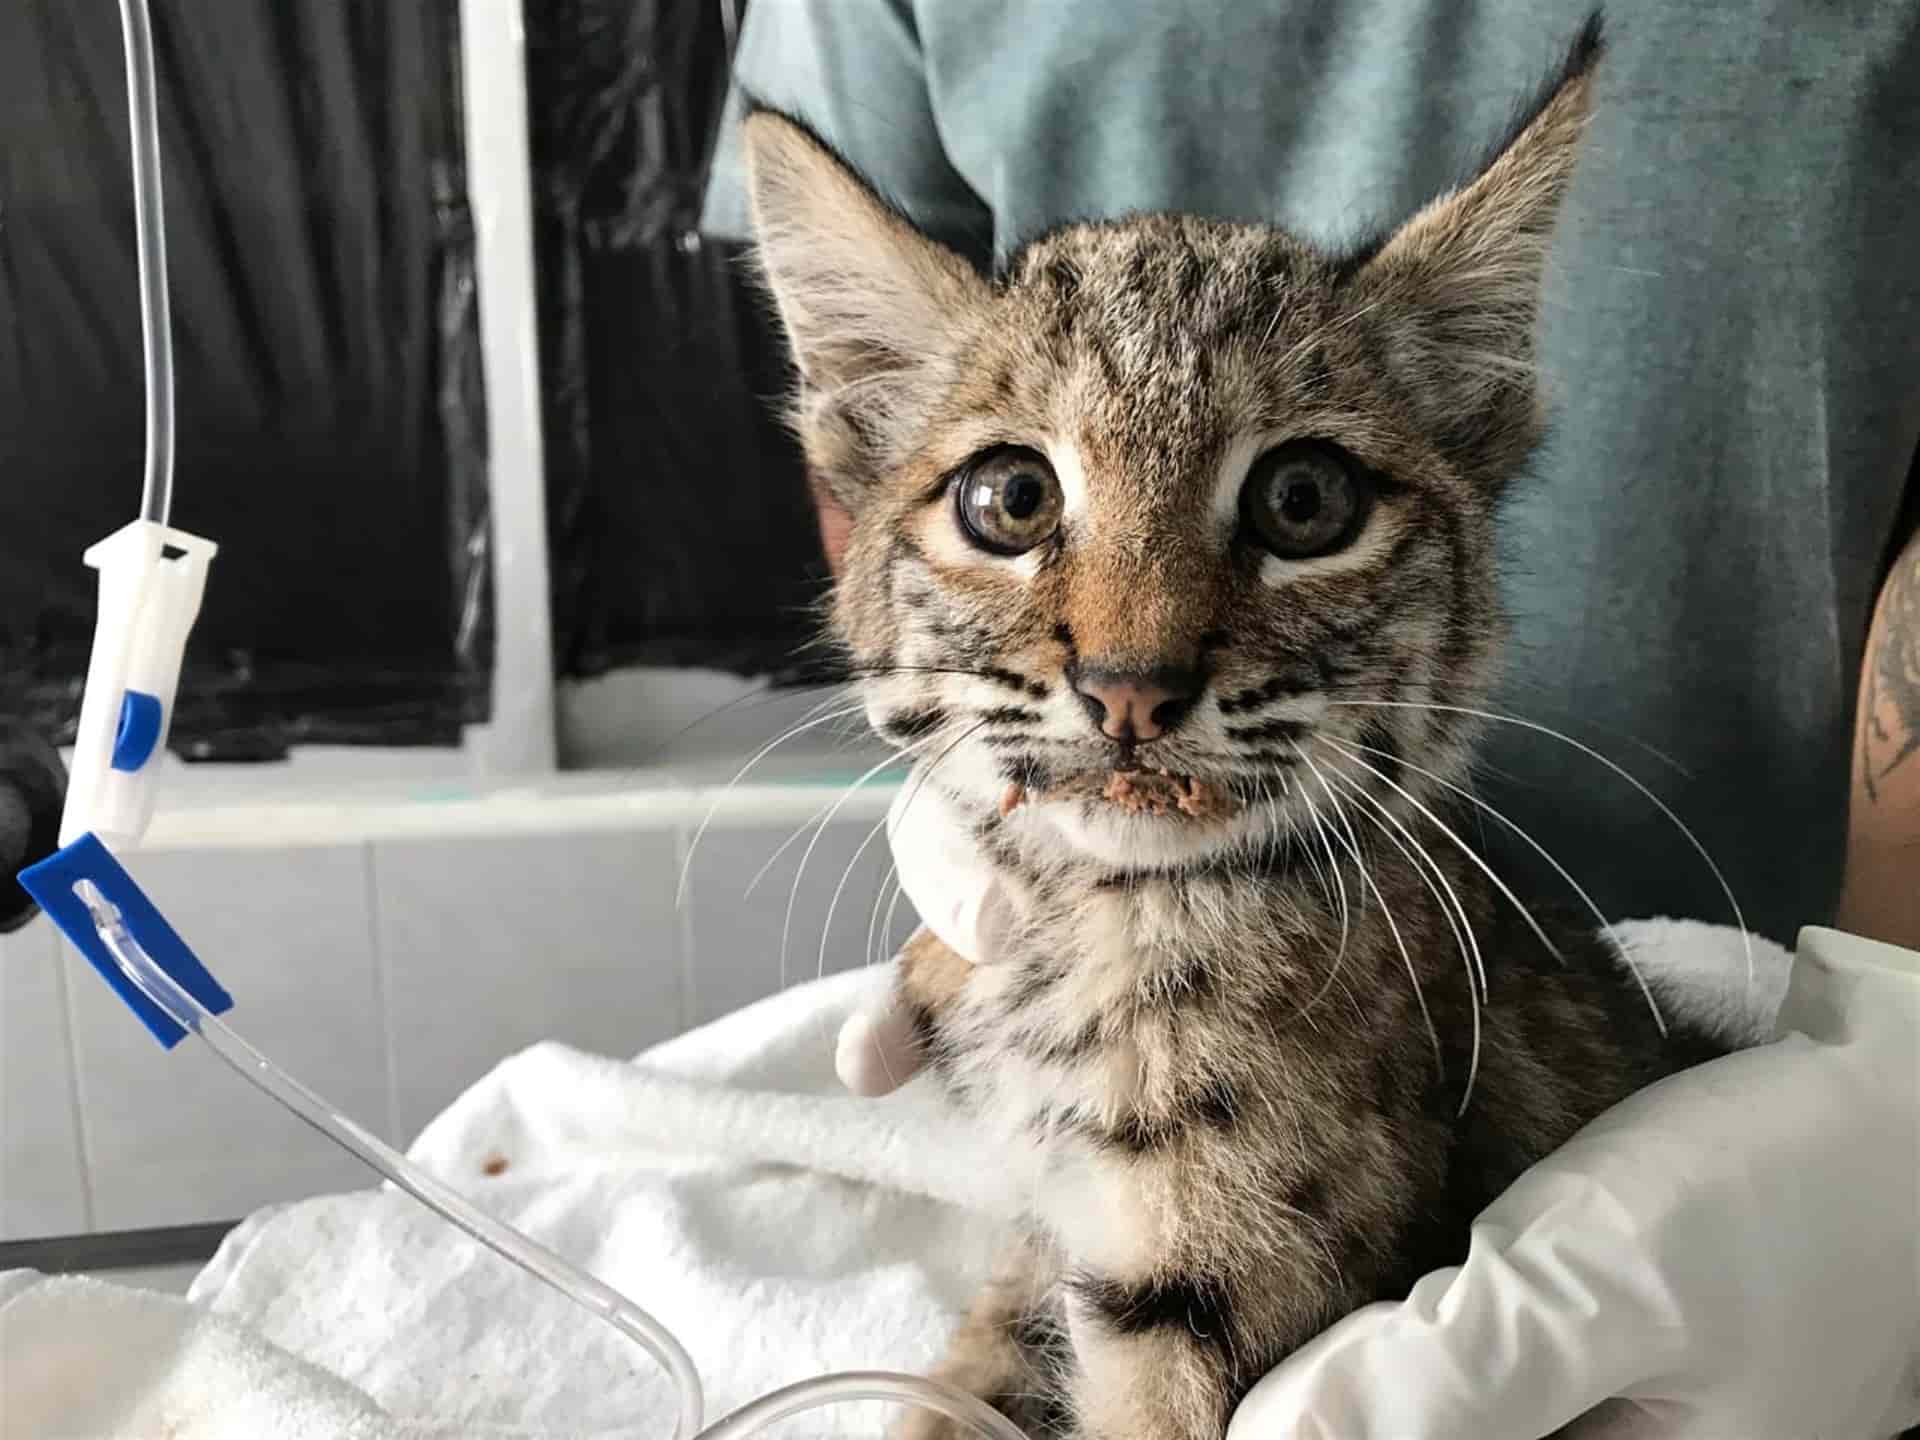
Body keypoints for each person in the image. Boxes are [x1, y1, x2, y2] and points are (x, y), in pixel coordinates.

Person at [700, 4, 1920, 1434]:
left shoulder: (1293, 1005)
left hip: (1812, 964)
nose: (1134, 656)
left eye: (1301, 504)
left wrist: (1898, 1044)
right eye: (1017, 498)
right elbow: (881, 455)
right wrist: (971, 754)